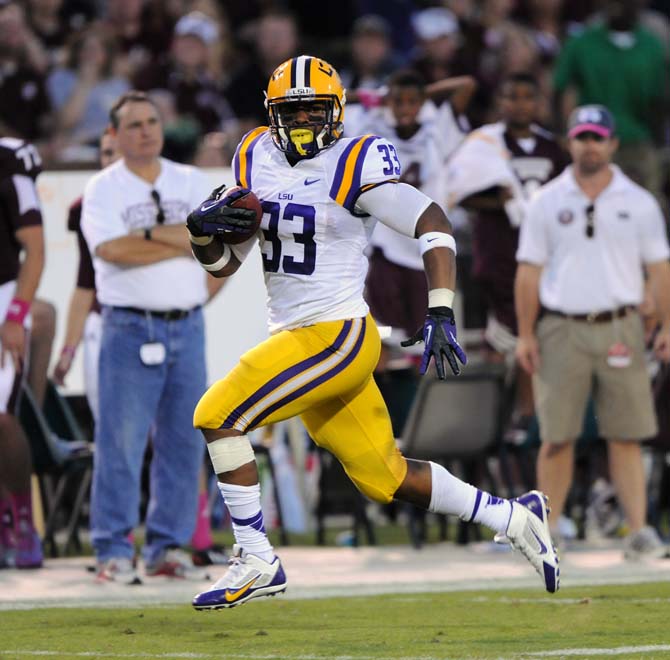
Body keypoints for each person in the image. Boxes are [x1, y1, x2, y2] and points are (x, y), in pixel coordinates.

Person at [185, 55, 560, 609]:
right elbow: (224, 265)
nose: (307, 120)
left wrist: (440, 307)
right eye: (295, 111)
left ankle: (256, 556)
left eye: (316, 109)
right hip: (296, 332)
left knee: (216, 415)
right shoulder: (253, 155)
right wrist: (202, 235)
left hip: (334, 332)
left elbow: (431, 220)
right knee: (383, 476)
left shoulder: (353, 160)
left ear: (337, 111)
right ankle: (512, 514)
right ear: (273, 114)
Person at [515, 104, 670, 559]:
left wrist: (664, 323)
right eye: (582, 136)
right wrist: (526, 334)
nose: (589, 145)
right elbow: (528, 271)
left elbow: (660, 268)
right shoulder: (546, 199)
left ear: (613, 144)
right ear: (570, 142)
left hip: (622, 323)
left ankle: (638, 531)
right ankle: (548, 531)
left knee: (627, 433)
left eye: (597, 137)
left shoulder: (638, 201)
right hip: (562, 325)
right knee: (556, 435)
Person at [81, 91, 212, 584]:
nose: (145, 130)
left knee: (183, 442)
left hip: (188, 323)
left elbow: (218, 244)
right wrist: (175, 238)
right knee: (121, 442)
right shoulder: (103, 188)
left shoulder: (191, 180)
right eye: (133, 124)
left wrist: (160, 243)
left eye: (152, 121)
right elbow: (112, 250)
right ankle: (113, 549)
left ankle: (167, 548)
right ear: (114, 134)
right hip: (129, 326)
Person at [446, 72, 568, 442]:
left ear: (539, 102)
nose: (519, 104)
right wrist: (499, 202)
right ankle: (503, 421)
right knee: (509, 339)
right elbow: (458, 193)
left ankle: (531, 421)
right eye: (510, 97)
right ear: (500, 102)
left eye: (527, 96)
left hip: (548, 262)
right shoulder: (484, 144)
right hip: (501, 256)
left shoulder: (554, 149)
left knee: (539, 343)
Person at [53, 129, 120, 421]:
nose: (113, 159)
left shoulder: (169, 196)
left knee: (171, 429)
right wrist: (68, 349)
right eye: (106, 152)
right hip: (105, 321)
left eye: (117, 150)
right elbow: (85, 284)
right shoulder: (86, 207)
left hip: (157, 319)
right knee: (108, 424)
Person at [0, 135, 45, 569]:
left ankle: (20, 521)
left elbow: (35, 247)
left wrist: (15, 314)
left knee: (1, 416)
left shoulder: (8, 161)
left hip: (2, 296)